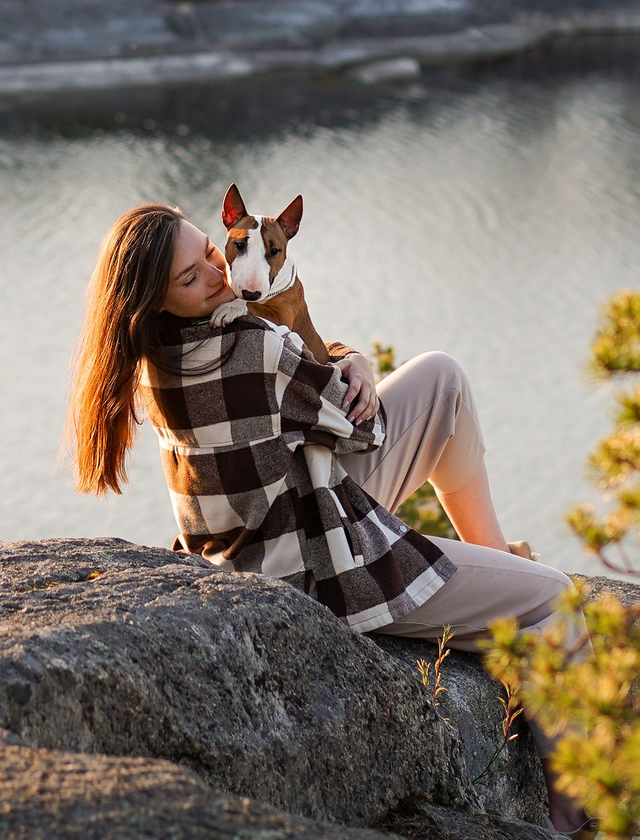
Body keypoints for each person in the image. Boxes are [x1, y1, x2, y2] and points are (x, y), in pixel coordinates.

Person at [71, 201, 587, 831]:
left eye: (211, 250)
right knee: (556, 601)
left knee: (440, 380)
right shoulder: (251, 347)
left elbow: (307, 377)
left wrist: (345, 360)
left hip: (256, 540)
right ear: (154, 301)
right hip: (317, 575)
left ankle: (495, 555)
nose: (218, 274)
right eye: (193, 276)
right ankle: (570, 815)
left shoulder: (153, 358)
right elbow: (359, 428)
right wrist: (354, 363)